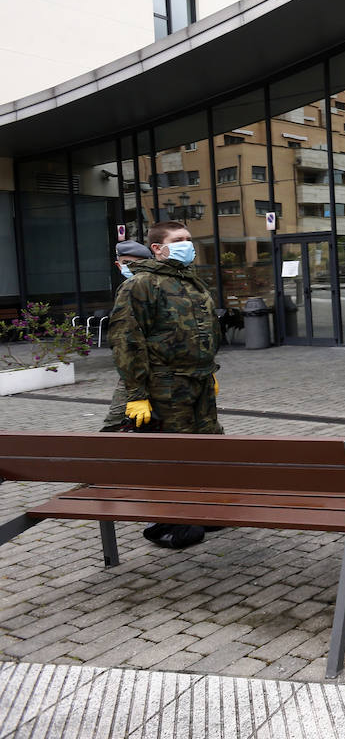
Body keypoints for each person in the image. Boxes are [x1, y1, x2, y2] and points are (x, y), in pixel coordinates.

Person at [107, 221, 222, 549]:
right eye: (179, 239)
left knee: (209, 448)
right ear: (157, 248)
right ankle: (171, 521)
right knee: (174, 454)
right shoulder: (141, 285)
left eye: (189, 239)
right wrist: (136, 394)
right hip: (166, 385)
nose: (188, 244)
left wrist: (209, 370)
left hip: (199, 382)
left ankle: (204, 510)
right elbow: (127, 340)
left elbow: (205, 330)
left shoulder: (191, 282)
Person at [99, 240, 156, 432]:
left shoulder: (155, 287)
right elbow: (123, 340)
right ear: (118, 265)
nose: (133, 267)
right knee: (117, 426)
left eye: (139, 262)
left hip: (156, 370)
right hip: (136, 371)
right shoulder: (128, 288)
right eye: (127, 263)